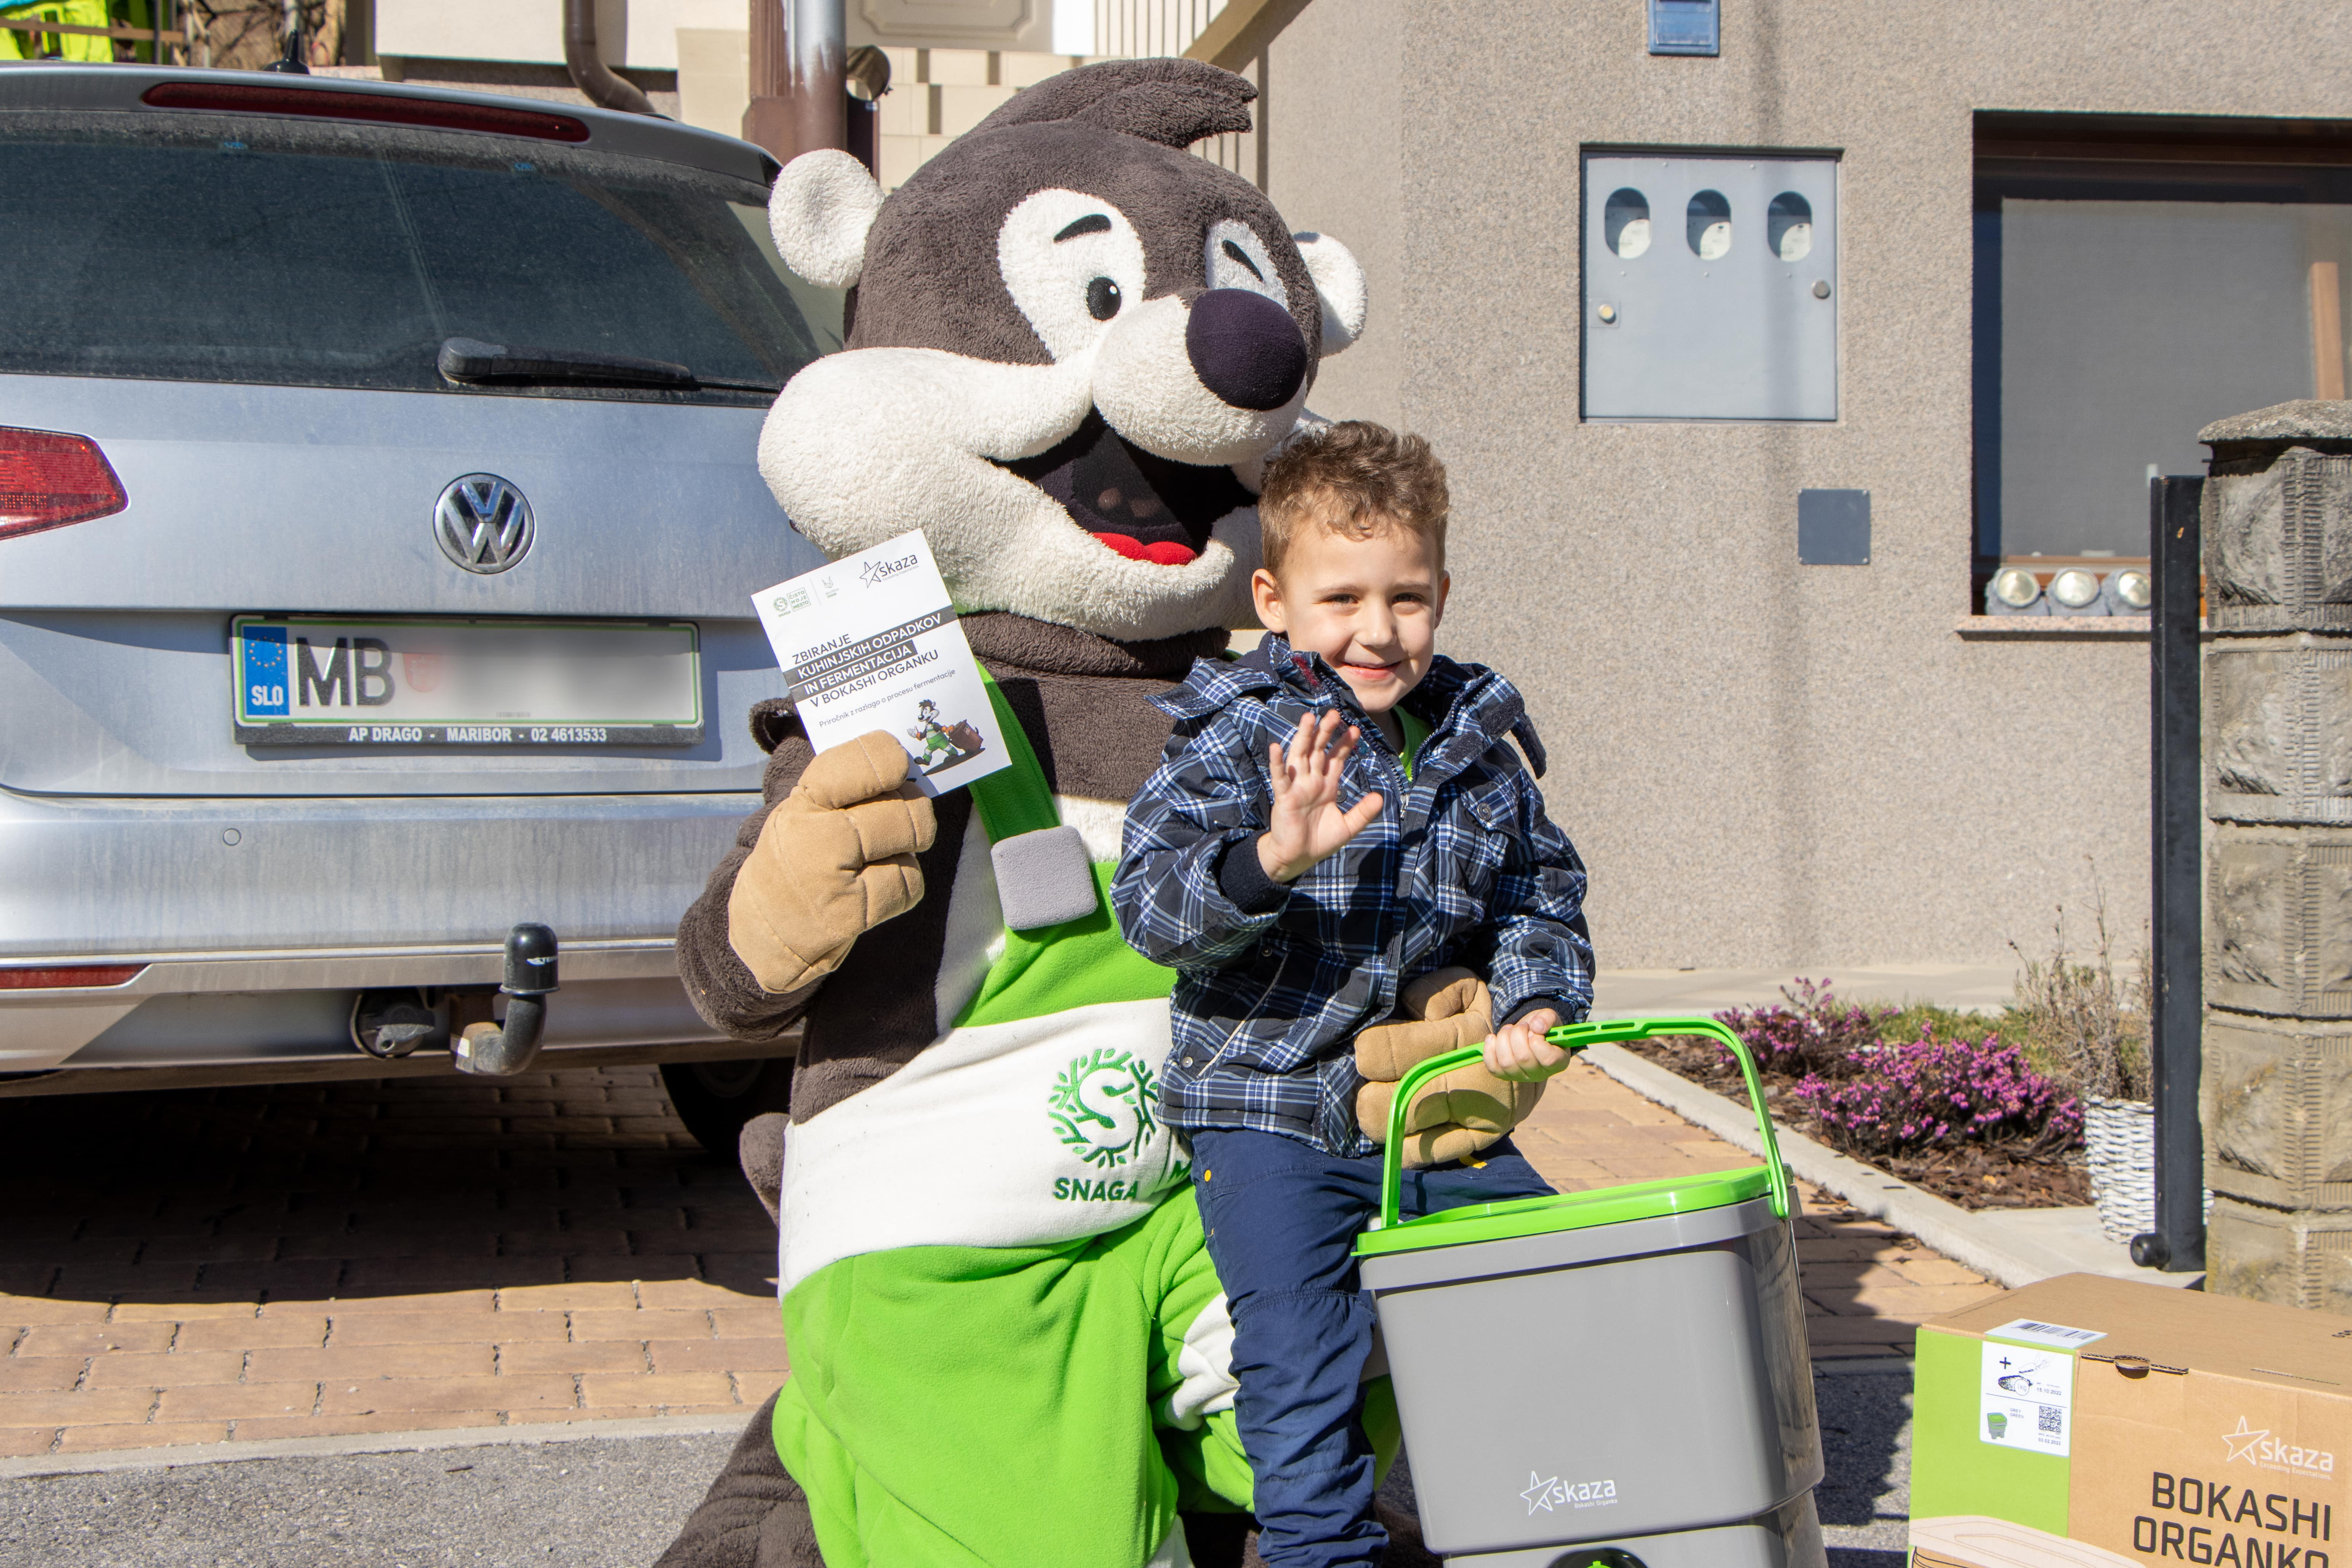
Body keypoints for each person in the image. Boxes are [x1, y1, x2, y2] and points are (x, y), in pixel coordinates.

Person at [1111, 420, 1596, 1568]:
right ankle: (1320, 1554)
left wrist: (1533, 1005)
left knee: (1536, 1283)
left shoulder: (1475, 743)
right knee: (1297, 1351)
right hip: (1267, 1110)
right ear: (1274, 600)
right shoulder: (1233, 739)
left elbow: (1542, 894)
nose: (1376, 632)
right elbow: (1150, 908)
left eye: (1407, 598)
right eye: (1341, 600)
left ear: (1440, 592)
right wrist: (1266, 863)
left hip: (1430, 1095)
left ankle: (1551, 1525)